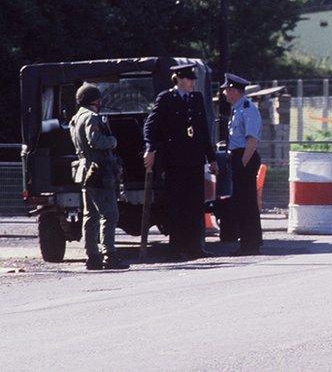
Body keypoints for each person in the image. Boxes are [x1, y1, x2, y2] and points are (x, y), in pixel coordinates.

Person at [143, 64, 218, 261]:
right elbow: (151, 125)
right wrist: (150, 147)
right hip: (175, 161)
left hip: (193, 159)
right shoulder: (167, 98)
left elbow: (202, 130)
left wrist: (211, 158)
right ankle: (176, 248)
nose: (193, 82)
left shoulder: (196, 98)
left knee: (194, 205)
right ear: (179, 79)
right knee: (176, 205)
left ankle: (195, 246)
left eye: (193, 79)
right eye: (189, 79)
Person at [70, 84, 128, 270]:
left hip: (85, 171)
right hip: (99, 171)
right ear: (94, 100)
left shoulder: (76, 117)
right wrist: (113, 141)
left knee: (90, 216)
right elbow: (95, 141)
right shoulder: (91, 117)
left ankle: (92, 256)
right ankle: (109, 256)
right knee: (109, 214)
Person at [221, 73, 263, 255]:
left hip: (245, 157)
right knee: (242, 202)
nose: (223, 92)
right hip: (238, 156)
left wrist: (242, 164)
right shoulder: (237, 109)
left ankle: (251, 244)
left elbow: (252, 141)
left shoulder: (247, 108)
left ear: (234, 91)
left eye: (226, 89)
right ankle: (248, 242)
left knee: (246, 202)